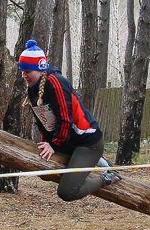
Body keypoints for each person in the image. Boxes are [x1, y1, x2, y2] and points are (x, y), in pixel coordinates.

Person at [19, 39, 120, 201]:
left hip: (87, 143)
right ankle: (93, 164)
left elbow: (65, 119)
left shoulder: (56, 83)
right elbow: (42, 121)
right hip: (67, 142)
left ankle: (108, 177)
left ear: (39, 69)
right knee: (43, 172)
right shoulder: (33, 88)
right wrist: (47, 142)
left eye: (27, 71)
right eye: (22, 71)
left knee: (67, 192)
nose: (23, 76)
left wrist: (54, 144)